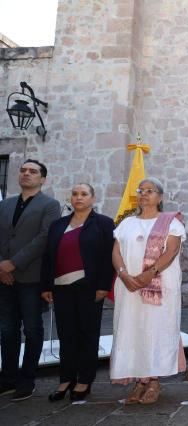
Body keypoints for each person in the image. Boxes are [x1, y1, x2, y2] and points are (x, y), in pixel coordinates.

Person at [110, 178, 186, 405]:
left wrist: (149, 273)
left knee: (155, 331)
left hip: (160, 288)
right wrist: (124, 275)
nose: (144, 194)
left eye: (150, 191)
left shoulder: (171, 222)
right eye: (141, 190)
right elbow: (116, 252)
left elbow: (171, 251)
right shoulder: (126, 224)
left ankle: (153, 380)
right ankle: (139, 381)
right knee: (131, 331)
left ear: (160, 197)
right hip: (128, 287)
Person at [41, 183, 115, 401]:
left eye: (84, 194)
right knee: (66, 335)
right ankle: (66, 379)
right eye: (75, 194)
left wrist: (103, 286)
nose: (78, 197)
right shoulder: (58, 225)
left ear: (93, 198)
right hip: (61, 287)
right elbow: (48, 257)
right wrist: (46, 285)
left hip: (89, 288)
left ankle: (84, 380)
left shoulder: (103, 224)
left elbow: (106, 258)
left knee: (87, 334)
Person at [0, 159, 60, 401]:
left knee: (33, 330)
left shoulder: (50, 205)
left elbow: (45, 238)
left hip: (31, 276)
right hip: (3, 277)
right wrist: (1, 266)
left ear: (42, 179)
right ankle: (8, 379)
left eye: (32, 172)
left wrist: (13, 263)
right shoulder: (5, 204)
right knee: (6, 330)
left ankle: (27, 379)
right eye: (23, 170)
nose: (26, 174)